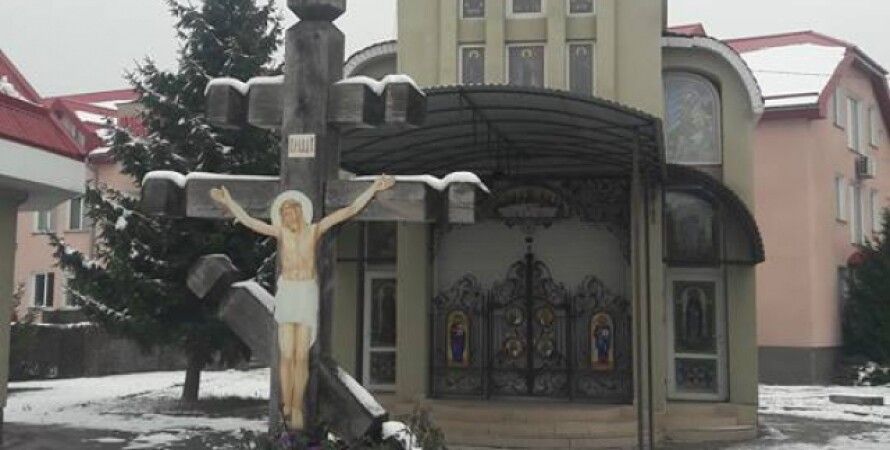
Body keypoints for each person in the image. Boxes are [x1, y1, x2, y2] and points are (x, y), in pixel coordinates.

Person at [210, 175, 395, 430]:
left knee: (301, 356)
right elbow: (250, 221)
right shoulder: (281, 233)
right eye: (284, 215)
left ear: (299, 213)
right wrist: (229, 202)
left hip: (306, 292)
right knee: (286, 355)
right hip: (288, 292)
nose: (287, 218)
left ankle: (297, 405)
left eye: (290, 213)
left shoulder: (315, 230)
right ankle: (286, 404)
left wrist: (373, 188)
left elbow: (350, 210)